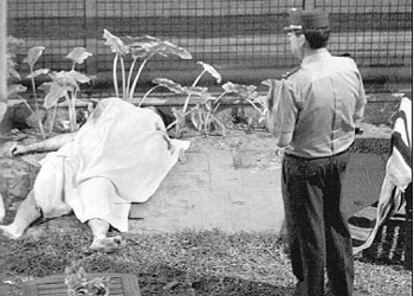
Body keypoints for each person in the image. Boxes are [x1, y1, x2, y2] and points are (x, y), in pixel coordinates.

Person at [263, 9, 366, 296]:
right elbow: (359, 111)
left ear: (302, 38)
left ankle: (311, 290)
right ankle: (342, 289)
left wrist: (268, 112)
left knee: (308, 234)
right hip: (343, 157)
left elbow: (282, 138)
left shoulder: (293, 83)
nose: (289, 42)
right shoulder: (348, 67)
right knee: (338, 225)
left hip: (305, 164)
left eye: (291, 36)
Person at [0, 98, 189, 252]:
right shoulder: (106, 121)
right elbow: (69, 138)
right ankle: (16, 227)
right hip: (78, 159)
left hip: (107, 167)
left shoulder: (152, 127)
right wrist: (27, 148)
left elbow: (158, 150)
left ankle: (99, 238)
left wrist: (167, 143)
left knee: (98, 186)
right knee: (49, 179)